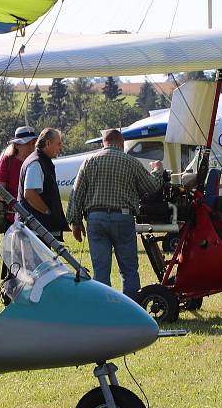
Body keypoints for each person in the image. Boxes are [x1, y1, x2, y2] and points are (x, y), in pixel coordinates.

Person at [66, 129, 164, 299]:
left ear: (103, 143)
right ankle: (132, 307)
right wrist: (158, 170)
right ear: (121, 142)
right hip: (123, 217)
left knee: (101, 270)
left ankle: (104, 310)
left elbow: (77, 193)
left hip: (96, 219)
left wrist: (75, 222)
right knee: (129, 269)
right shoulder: (130, 162)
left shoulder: (89, 161)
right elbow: (151, 187)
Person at [17, 128, 69, 240]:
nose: (61, 148)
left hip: (38, 230)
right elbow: (30, 194)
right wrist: (48, 212)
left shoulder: (42, 161)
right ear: (48, 143)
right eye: (58, 144)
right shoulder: (36, 162)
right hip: (35, 231)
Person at [0, 126, 37, 223]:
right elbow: (0, 191)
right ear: (17, 145)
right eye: (27, 144)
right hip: (13, 219)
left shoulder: (37, 160)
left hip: (37, 218)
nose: (31, 147)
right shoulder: (7, 160)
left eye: (33, 143)